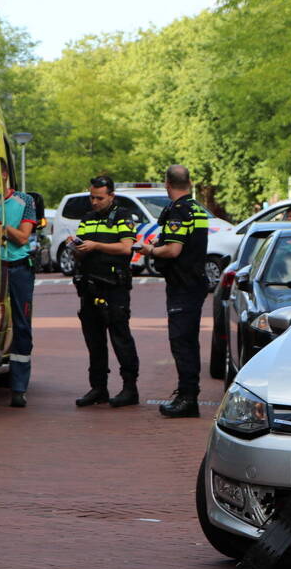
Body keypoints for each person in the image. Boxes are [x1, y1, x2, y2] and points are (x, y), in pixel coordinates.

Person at [139, 165, 209, 418]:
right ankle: (188, 395)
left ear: (167, 184)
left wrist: (149, 250)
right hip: (194, 282)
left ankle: (188, 399)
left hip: (183, 284)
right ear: (189, 182)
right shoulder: (197, 209)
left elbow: (172, 250)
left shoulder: (179, 211)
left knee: (181, 342)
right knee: (188, 340)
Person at [70, 176, 141, 408]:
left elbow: (126, 247)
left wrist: (96, 245)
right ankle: (98, 388)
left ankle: (130, 389)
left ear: (111, 196)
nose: (94, 202)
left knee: (120, 338)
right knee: (94, 340)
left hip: (114, 287)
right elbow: (81, 251)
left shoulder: (122, 216)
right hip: (90, 286)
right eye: (92, 197)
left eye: (99, 198)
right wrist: (77, 248)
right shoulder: (88, 218)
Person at [0, 159, 37, 408]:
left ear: (4, 174)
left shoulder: (25, 201)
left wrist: (1, 227)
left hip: (18, 268)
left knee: (21, 326)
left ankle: (19, 387)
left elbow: (23, 238)